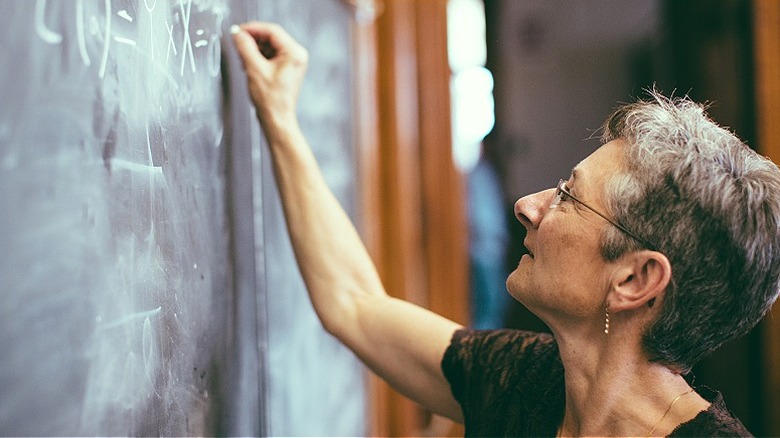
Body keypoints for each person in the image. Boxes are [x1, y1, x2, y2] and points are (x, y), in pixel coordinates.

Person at [231, 22, 780, 437]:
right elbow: (353, 305)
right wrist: (279, 119)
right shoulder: (529, 385)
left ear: (636, 279)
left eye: (568, 196)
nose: (527, 205)